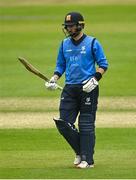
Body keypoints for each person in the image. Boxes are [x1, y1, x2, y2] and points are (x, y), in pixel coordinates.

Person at [45, 12, 108, 168]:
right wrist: (54, 78)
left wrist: (95, 79)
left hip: (88, 88)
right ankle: (81, 153)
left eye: (72, 25)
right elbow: (60, 66)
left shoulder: (93, 42)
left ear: (80, 25)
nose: (69, 28)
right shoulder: (64, 44)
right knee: (63, 123)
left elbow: (103, 65)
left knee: (86, 124)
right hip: (70, 88)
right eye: (67, 26)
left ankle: (87, 160)